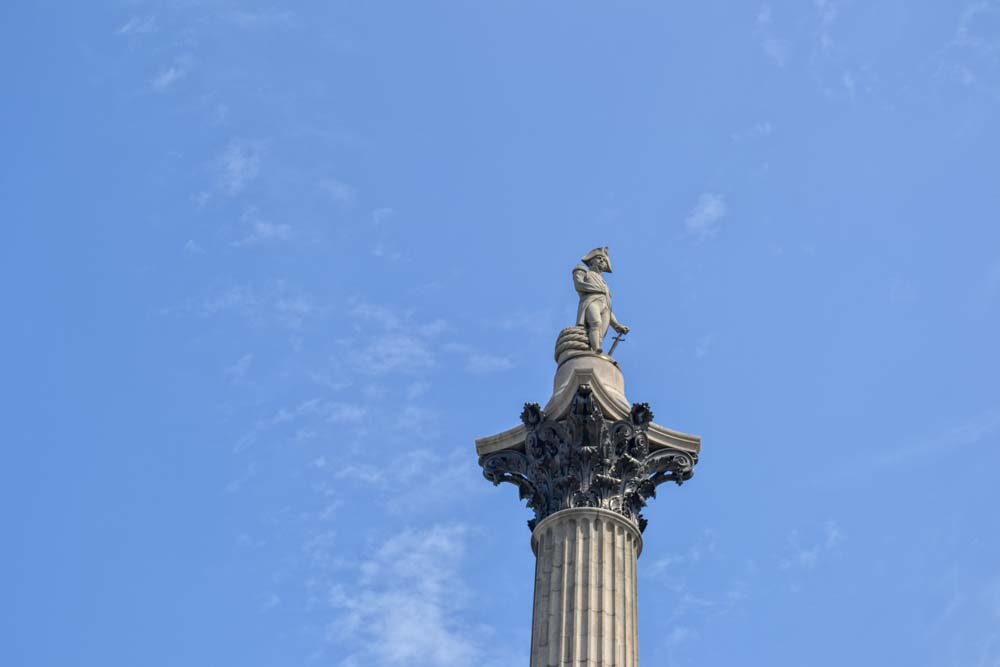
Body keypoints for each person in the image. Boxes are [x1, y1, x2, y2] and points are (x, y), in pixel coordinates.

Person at [573, 247, 629, 353]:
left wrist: (617, 325)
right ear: (591, 260)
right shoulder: (583, 271)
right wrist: (599, 289)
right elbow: (579, 285)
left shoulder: (605, 284)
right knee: (596, 323)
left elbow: (609, 307)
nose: (602, 261)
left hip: (605, 308)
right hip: (591, 301)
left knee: (600, 334)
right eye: (599, 258)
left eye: (604, 260)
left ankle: (594, 350)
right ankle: (596, 349)